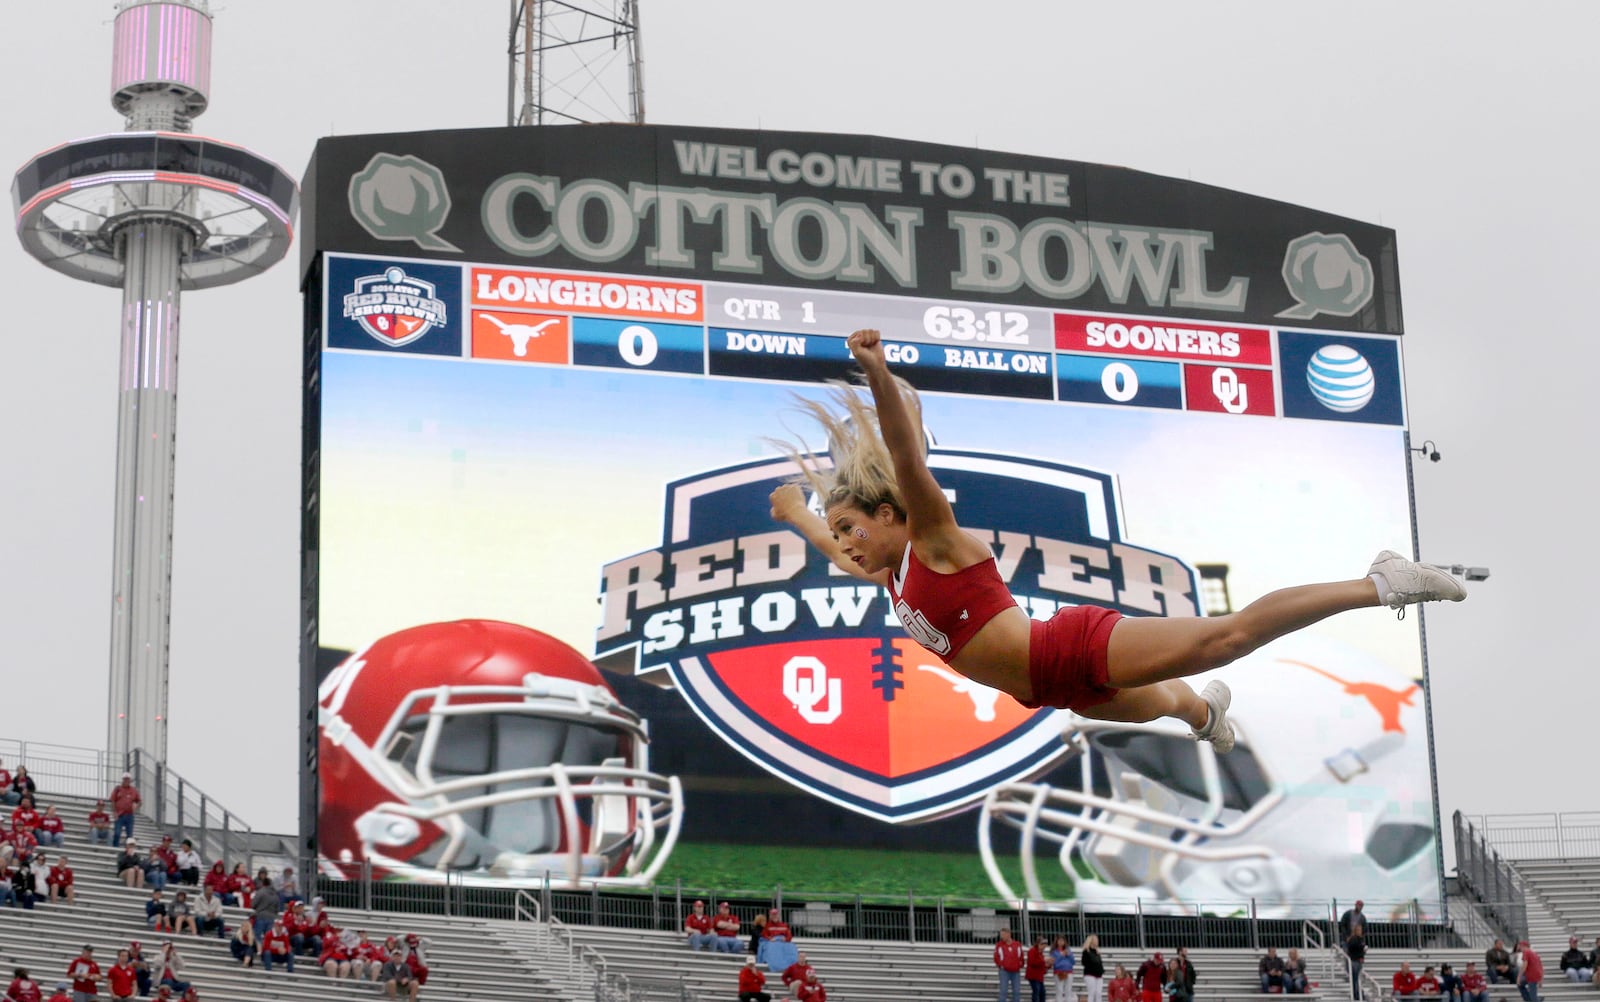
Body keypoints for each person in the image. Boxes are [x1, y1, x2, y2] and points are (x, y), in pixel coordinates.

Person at [769, 330, 1468, 747]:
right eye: (841, 536)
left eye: (851, 526)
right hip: (1049, 688)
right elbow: (844, 559)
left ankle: (1379, 582)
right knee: (1172, 703)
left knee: (1223, 639)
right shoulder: (890, 575)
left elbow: (905, 452)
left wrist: (879, 375)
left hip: (1063, 647)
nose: (848, 545)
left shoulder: (933, 542)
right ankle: (1209, 716)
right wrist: (800, 518)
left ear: (890, 512)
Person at [111, 773, 142, 847]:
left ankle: (128, 850)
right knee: (117, 833)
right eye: (125, 779)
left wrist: (136, 807)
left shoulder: (133, 790)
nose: (126, 781)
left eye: (128, 779)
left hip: (129, 815)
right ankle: (115, 848)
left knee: (129, 835)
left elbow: (140, 801)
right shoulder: (117, 789)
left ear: (130, 780)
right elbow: (113, 800)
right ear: (122, 780)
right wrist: (114, 812)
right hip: (119, 815)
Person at [995, 928, 1024, 1002]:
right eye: (1001, 935)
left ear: (1009, 934)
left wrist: (1020, 964)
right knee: (1003, 991)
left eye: (1003, 935)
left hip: (1015, 971)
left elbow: (1021, 956)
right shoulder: (999, 945)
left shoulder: (1017, 944)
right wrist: (1001, 964)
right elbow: (996, 957)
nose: (1001, 937)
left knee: (1016, 991)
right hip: (1004, 971)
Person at [1051, 935, 1076, 1002]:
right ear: (1056, 942)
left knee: (1068, 990)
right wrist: (1061, 955)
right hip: (1059, 972)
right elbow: (1054, 963)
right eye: (1059, 940)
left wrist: (1069, 955)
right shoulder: (1054, 952)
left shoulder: (1068, 950)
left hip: (1069, 972)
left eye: (1063, 940)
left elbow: (1073, 962)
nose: (1061, 942)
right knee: (1059, 990)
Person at [1083, 935, 1106, 1002]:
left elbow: (1100, 963)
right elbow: (1084, 962)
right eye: (1095, 939)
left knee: (1098, 993)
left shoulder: (1097, 951)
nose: (1097, 941)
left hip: (1099, 975)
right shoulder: (1086, 951)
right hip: (1090, 974)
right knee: (1092, 992)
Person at [1026, 936, 1050, 1002]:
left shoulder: (1041, 954)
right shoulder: (1032, 951)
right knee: (1036, 992)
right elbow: (1032, 962)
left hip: (1039, 977)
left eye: (1045, 946)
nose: (1044, 947)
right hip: (1033, 976)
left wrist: (1048, 965)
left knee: (1042, 993)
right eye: (1043, 945)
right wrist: (1044, 961)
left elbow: (1041, 965)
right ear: (1038, 944)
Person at [1346, 930, 1367, 1000]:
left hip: (1357, 960)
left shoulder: (1359, 939)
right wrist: (1362, 948)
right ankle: (1357, 994)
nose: (1361, 932)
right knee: (1355, 979)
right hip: (1355, 960)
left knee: (1356, 979)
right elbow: (1353, 948)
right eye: (1360, 930)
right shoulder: (1354, 939)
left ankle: (1357, 993)